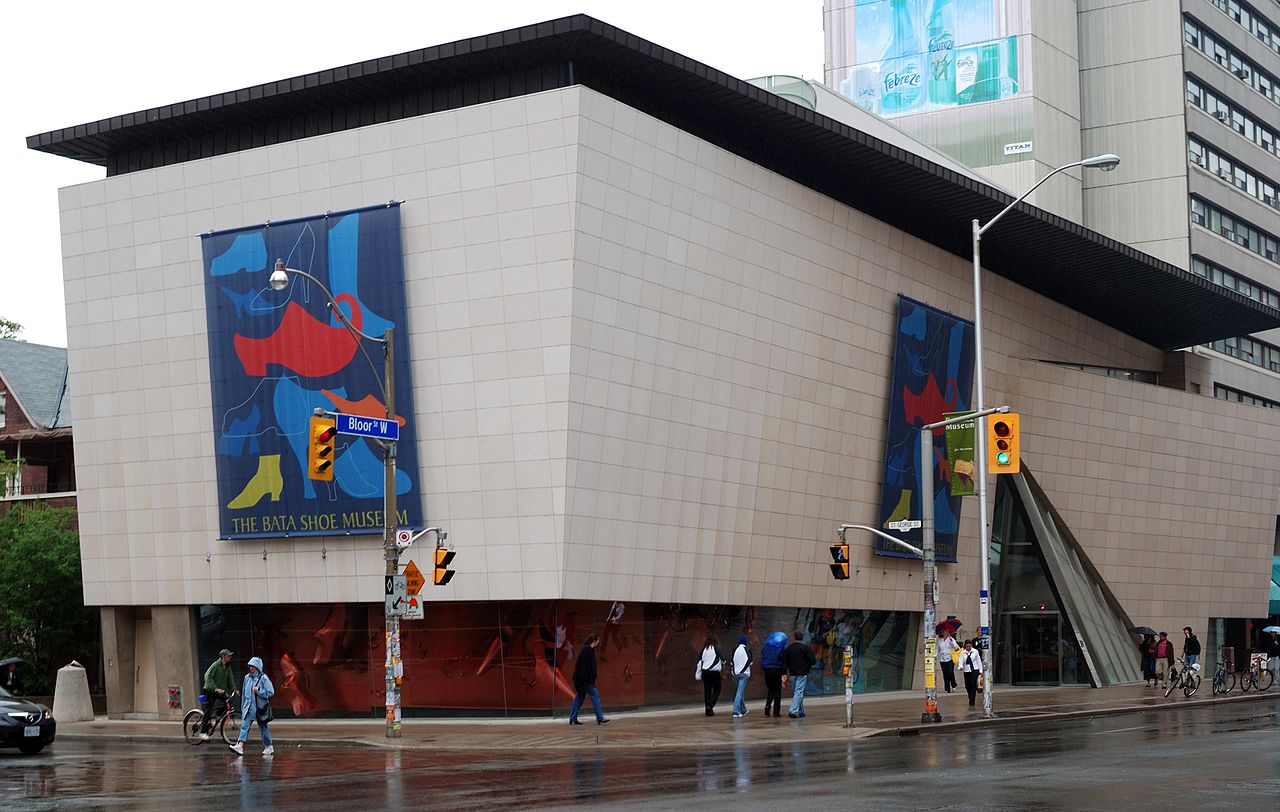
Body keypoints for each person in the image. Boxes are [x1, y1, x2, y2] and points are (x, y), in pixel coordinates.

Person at [229, 656, 275, 756]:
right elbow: (245, 694)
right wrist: (243, 707)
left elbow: (271, 692)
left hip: (260, 708)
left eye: (253, 666)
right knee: (244, 726)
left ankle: (268, 746)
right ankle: (240, 746)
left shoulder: (263, 678)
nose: (250, 668)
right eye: (250, 666)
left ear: (258, 667)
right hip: (249, 708)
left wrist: (259, 691)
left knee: (263, 727)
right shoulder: (247, 678)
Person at [568, 632, 609, 725]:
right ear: (594, 641)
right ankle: (600, 718)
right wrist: (588, 679)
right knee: (595, 696)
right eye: (598, 640)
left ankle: (572, 718)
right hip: (585, 681)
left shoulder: (587, 650)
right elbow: (585, 667)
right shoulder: (587, 650)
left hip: (582, 681)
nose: (599, 642)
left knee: (579, 698)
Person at [200, 648, 237, 740]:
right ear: (223, 657)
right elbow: (208, 677)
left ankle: (217, 714)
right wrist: (215, 688)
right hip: (210, 690)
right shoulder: (215, 665)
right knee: (208, 710)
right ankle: (203, 732)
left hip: (220, 690)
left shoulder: (227, 667)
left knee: (229, 701)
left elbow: (230, 679)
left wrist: (234, 689)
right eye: (228, 656)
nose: (230, 657)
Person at [783, 629, 817, 718]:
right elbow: (813, 660)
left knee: (797, 692)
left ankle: (801, 711)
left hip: (792, 673)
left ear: (794, 637)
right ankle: (793, 710)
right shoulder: (805, 648)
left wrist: (784, 673)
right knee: (798, 692)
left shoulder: (789, 648)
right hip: (802, 673)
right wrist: (807, 666)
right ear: (802, 637)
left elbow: (785, 662)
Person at [760, 630, 788, 717]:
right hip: (776, 670)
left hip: (767, 670)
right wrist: (784, 673)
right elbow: (783, 661)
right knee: (777, 691)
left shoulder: (766, 647)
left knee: (771, 689)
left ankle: (767, 707)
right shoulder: (781, 649)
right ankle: (776, 711)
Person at [698, 634, 725, 716]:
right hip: (714, 672)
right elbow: (723, 658)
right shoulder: (716, 647)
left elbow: (700, 659)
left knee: (707, 690)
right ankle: (710, 704)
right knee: (717, 689)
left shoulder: (704, 649)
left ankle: (707, 709)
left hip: (704, 672)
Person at [731, 635, 752, 718]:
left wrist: (734, 671)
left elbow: (732, 662)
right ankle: (735, 711)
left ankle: (743, 710)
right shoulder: (747, 649)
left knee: (740, 692)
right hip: (743, 674)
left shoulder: (735, 649)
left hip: (736, 673)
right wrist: (743, 669)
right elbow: (750, 660)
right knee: (739, 692)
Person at [959, 639, 983, 707]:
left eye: (969, 646)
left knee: (973, 684)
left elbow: (979, 661)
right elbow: (961, 660)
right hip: (966, 670)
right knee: (967, 685)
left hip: (974, 669)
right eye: (967, 646)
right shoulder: (963, 652)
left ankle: (972, 700)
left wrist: (980, 671)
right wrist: (960, 666)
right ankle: (970, 696)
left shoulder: (975, 651)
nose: (968, 648)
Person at [937, 628, 960, 693]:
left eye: (945, 631)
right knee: (945, 674)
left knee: (950, 672)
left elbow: (956, 647)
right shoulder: (939, 640)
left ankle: (953, 684)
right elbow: (938, 649)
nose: (944, 632)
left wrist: (952, 641)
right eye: (942, 631)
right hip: (942, 659)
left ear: (947, 632)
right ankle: (947, 688)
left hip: (950, 658)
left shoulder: (951, 639)